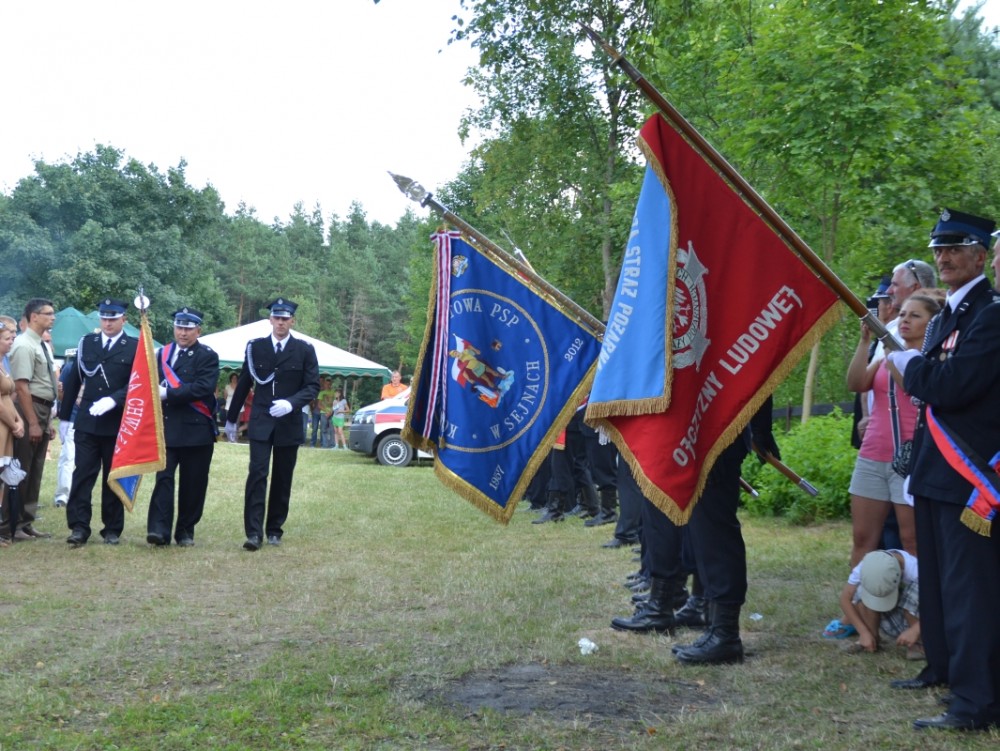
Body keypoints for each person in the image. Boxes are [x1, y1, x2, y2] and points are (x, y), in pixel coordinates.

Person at [885, 209, 1000, 731]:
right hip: (935, 466)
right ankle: (944, 668)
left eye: (956, 249)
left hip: (969, 474)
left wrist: (910, 365)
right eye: (939, 250)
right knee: (937, 583)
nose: (945, 258)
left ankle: (975, 702)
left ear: (980, 256)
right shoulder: (947, 313)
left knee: (968, 591)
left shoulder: (989, 314)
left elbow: (952, 388)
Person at [845, 292, 940, 565]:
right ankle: (861, 592)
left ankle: (916, 593)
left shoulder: (929, 361)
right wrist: (865, 342)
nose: (905, 320)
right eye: (903, 314)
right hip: (873, 454)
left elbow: (912, 388)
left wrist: (894, 358)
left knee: (911, 539)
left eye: (915, 315)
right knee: (863, 538)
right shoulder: (886, 355)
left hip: (911, 458)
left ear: (931, 324)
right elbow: (855, 383)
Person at [225, 298, 320, 550]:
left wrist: (291, 403)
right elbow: (244, 382)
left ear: (292, 321)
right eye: (277, 318)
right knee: (257, 474)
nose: (280, 322)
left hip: (289, 421)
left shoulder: (304, 350)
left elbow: (312, 386)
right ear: (270, 320)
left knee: (282, 476)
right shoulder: (255, 347)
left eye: (285, 318)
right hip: (261, 421)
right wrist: (231, 418)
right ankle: (253, 533)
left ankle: (275, 529)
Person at [60, 298, 138, 546]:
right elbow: (74, 379)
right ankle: (79, 526)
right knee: (83, 473)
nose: (107, 323)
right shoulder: (88, 342)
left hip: (117, 421)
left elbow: (138, 384)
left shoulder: (134, 346)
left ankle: (112, 528)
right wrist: (65, 417)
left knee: (112, 476)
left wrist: (115, 399)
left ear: (123, 319)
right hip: (88, 420)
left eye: (113, 319)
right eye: (104, 318)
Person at [146, 308, 220, 547]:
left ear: (198, 330)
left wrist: (169, 393)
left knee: (193, 483)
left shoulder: (207, 356)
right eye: (179, 327)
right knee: (163, 479)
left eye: (188, 329)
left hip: (196, 430)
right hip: (166, 428)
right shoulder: (161, 354)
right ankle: (159, 530)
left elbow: (203, 387)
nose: (183, 333)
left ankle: (186, 531)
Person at [7, 298, 59, 541]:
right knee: (22, 468)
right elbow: (21, 387)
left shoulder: (40, 344)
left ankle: (26, 521)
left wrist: (46, 422)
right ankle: (14, 524)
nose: (53, 317)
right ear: (34, 316)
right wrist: (34, 422)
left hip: (43, 409)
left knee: (36, 469)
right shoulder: (24, 344)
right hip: (30, 408)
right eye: (48, 313)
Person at [837, 549, 920, 656]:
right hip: (896, 622)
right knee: (860, 591)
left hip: (928, 621)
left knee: (915, 591)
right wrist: (864, 632)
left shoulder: (917, 570)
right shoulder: (866, 566)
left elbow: (941, 608)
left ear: (900, 572)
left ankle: (920, 645)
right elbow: (845, 599)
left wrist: (915, 630)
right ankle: (872, 639)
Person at [0, 320, 26, 547]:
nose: (11, 343)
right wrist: (13, 423)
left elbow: (7, 397)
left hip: (7, 426)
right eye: (7, 339)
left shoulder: (2, 365)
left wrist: (18, 419)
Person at [53, 348, 79, 508]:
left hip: (84, 420)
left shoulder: (70, 367)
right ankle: (63, 495)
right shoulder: (71, 367)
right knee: (68, 457)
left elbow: (61, 395)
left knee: (73, 459)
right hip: (73, 419)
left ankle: (73, 495)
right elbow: (61, 395)